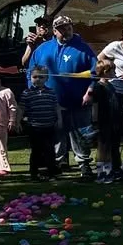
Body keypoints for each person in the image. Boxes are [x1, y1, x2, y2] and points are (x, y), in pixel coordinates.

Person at [26, 14, 96, 172]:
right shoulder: (43, 49)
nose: (66, 30)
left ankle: (84, 164)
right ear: (54, 31)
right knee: (56, 134)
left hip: (79, 100)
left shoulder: (83, 48)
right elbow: (31, 71)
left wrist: (90, 92)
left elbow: (95, 73)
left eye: (68, 27)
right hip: (51, 101)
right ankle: (58, 162)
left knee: (80, 134)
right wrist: (34, 91)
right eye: (62, 28)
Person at [82, 57, 123, 182]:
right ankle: (102, 173)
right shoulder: (98, 87)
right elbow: (95, 106)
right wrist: (95, 123)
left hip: (113, 122)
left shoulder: (110, 85)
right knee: (103, 148)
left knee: (112, 147)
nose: (115, 74)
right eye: (113, 71)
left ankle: (111, 170)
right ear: (106, 72)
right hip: (103, 122)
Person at [21, 68, 62, 179]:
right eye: (35, 77)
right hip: (34, 127)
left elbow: (56, 107)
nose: (38, 79)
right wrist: (17, 121)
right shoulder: (27, 93)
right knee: (36, 151)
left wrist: (59, 120)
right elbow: (22, 108)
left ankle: (51, 172)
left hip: (49, 126)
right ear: (30, 78)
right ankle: (34, 173)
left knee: (50, 150)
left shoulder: (51, 92)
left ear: (47, 78)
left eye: (41, 77)